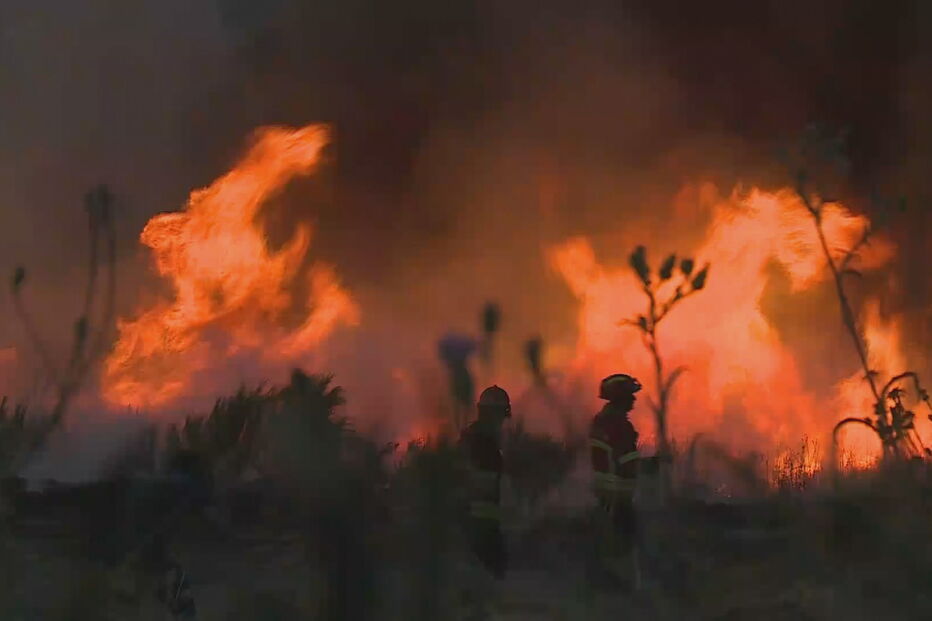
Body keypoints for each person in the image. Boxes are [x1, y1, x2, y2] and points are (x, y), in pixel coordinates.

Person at [589, 373, 642, 588]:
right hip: (618, 498)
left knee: (608, 544)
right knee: (624, 545)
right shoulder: (620, 426)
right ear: (620, 398)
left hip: (604, 496)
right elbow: (628, 463)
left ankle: (607, 586)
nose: (634, 399)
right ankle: (624, 589)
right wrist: (655, 463)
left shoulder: (600, 421)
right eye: (630, 395)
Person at [459, 385, 511, 580]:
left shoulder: (473, 436)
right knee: (491, 571)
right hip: (480, 523)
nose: (502, 422)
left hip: (476, 521)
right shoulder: (484, 442)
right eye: (500, 415)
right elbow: (483, 482)